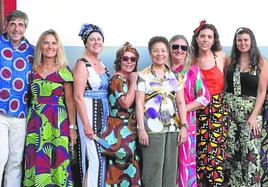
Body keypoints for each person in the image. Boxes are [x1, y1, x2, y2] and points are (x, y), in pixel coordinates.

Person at [23, 29, 77, 186]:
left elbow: (70, 102)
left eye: (54, 43)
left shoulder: (64, 71)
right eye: (46, 42)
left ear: (58, 47)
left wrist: (72, 128)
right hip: (35, 122)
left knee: (58, 160)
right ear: (40, 45)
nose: (50, 46)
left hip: (57, 122)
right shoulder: (33, 70)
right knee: (35, 158)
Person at [136, 36, 188, 187]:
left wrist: (184, 127)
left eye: (163, 50)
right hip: (152, 128)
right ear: (150, 53)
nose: (160, 54)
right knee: (154, 169)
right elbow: (139, 104)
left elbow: (180, 102)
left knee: (170, 170)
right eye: (156, 50)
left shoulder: (175, 76)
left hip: (173, 127)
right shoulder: (143, 75)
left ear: (168, 52)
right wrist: (142, 130)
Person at [224, 27, 268, 187]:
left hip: (251, 115)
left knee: (250, 154)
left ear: (251, 41)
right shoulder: (229, 61)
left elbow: (262, 91)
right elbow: (225, 85)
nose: (242, 43)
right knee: (231, 154)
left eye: (245, 40)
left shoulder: (261, 62)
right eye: (239, 40)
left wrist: (254, 116)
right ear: (235, 42)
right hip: (229, 114)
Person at [191, 20, 229, 186]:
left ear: (214, 40)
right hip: (196, 109)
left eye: (209, 37)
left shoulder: (220, 56)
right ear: (197, 38)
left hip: (217, 110)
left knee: (215, 153)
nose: (206, 40)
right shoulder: (191, 59)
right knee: (198, 151)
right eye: (202, 36)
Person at [169, 35, 210, 187]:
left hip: (187, 125)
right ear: (169, 49)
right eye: (175, 46)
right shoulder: (162, 70)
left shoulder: (192, 71)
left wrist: (182, 109)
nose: (179, 50)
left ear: (187, 51)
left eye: (183, 47)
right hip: (163, 125)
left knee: (186, 164)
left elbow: (205, 98)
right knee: (167, 164)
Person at [0, 10, 34, 186]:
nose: (16, 28)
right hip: (0, 112)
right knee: (1, 156)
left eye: (20, 25)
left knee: (15, 161)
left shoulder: (32, 51)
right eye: (13, 24)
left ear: (25, 28)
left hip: (20, 114)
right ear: (6, 26)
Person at [73, 23, 109, 187]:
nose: (96, 42)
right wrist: (86, 124)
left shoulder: (102, 65)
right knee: (93, 158)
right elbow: (78, 97)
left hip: (103, 116)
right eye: (92, 39)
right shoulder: (82, 64)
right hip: (88, 115)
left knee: (101, 157)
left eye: (99, 39)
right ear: (85, 42)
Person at [101, 42, 141, 186]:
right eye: (125, 58)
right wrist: (134, 81)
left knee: (129, 171)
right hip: (120, 132)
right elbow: (126, 103)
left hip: (129, 130)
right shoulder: (117, 79)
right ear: (119, 61)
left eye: (133, 59)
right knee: (120, 171)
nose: (129, 62)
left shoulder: (127, 79)